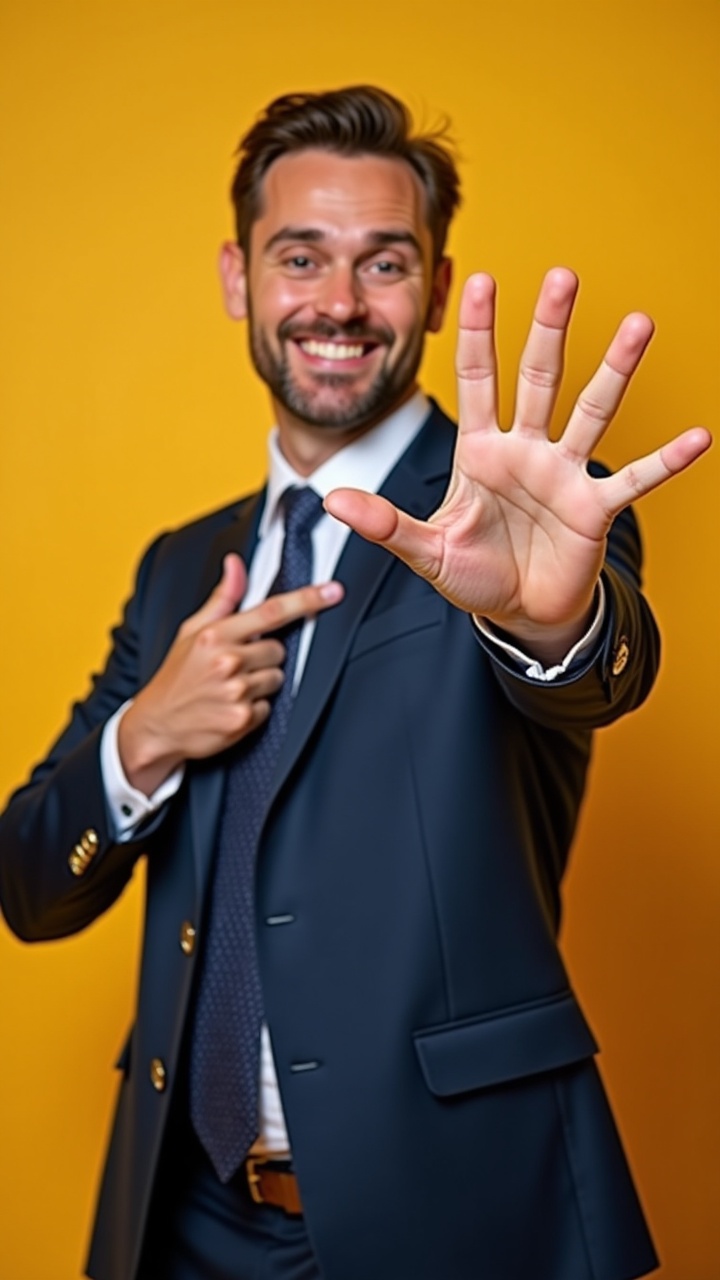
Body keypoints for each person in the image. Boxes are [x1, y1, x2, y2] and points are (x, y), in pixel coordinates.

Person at [0, 86, 711, 1280]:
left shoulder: (530, 510)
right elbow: (28, 883)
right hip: (183, 1216)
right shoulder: (181, 562)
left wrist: (560, 620)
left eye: (384, 262)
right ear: (241, 278)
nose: (337, 302)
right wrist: (145, 737)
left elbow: (593, 674)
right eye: (300, 257)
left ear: (435, 286)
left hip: (457, 1212)